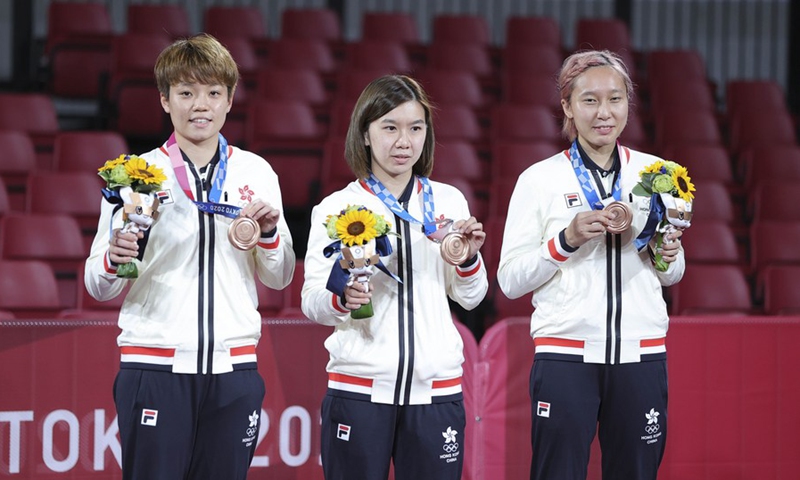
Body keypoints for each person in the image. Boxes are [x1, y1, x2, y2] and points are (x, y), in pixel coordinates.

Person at [84, 34, 295, 480]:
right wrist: (115, 256)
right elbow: (98, 285)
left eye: (213, 93)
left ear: (230, 100)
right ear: (164, 100)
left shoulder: (255, 172)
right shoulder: (134, 174)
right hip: (156, 363)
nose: (201, 105)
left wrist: (271, 234)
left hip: (234, 367)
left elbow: (279, 278)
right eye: (186, 93)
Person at [497, 50, 685, 480]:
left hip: (642, 355)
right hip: (566, 358)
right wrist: (566, 240)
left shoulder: (658, 173)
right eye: (590, 100)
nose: (605, 113)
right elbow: (509, 281)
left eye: (615, 99)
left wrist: (666, 255)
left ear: (628, 103)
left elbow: (672, 273)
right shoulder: (539, 179)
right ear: (567, 106)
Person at [301, 74, 488, 480]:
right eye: (390, 127)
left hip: (436, 394)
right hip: (359, 390)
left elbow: (472, 297)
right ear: (365, 135)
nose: (404, 141)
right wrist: (342, 297)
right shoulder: (337, 207)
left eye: (415, 128)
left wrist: (468, 260)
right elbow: (312, 300)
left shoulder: (448, 201)